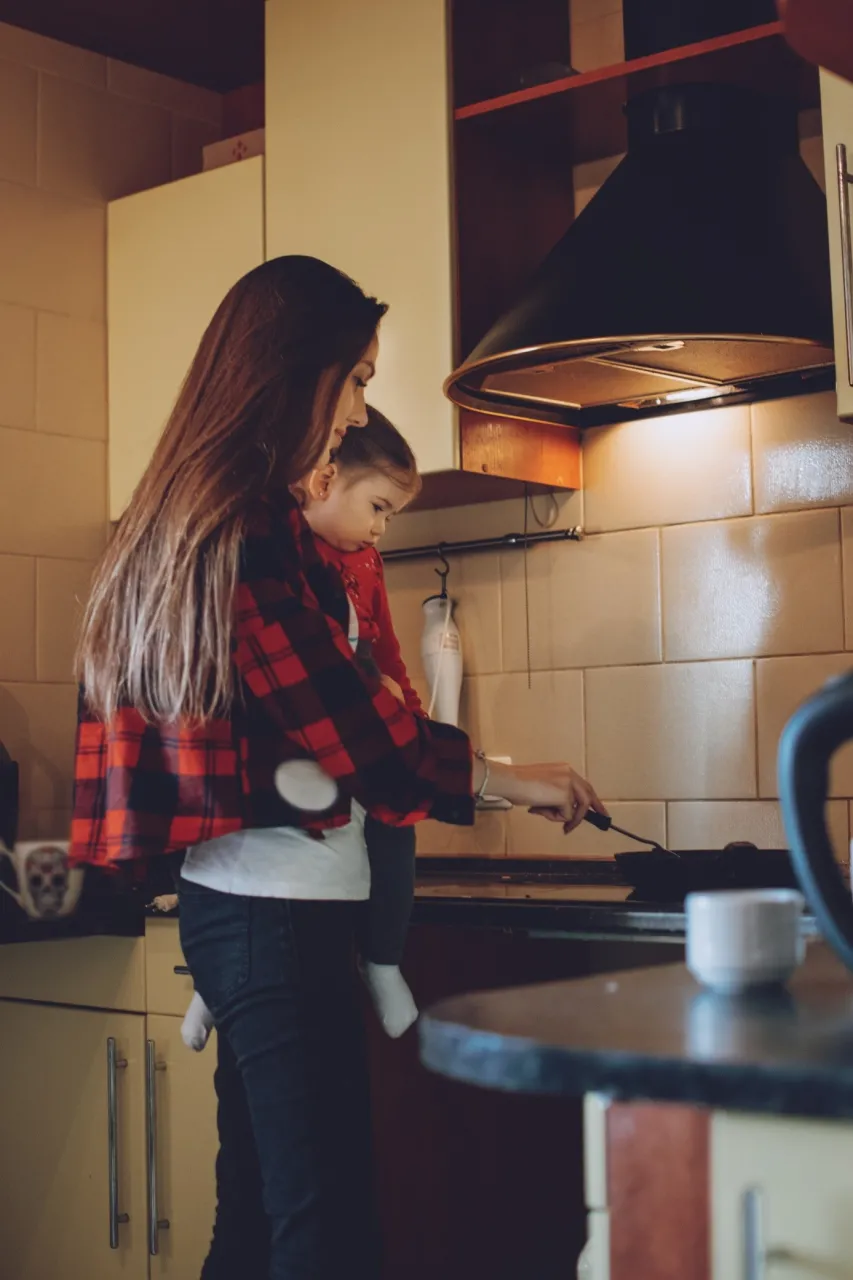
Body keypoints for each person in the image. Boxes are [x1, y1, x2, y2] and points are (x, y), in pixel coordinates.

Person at [70, 254, 607, 1280]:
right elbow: (360, 737)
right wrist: (507, 778)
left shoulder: (209, 522)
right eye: (356, 377)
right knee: (327, 1231)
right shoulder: (242, 536)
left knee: (263, 1221)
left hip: (248, 907)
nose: (360, 405)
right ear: (297, 374)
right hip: (271, 915)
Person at [180, 406, 426, 1053]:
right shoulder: (272, 557)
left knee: (396, 825)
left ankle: (381, 962)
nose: (377, 529)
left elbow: (385, 648)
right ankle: (211, 985)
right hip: (264, 850)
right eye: (376, 507)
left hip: (305, 836)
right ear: (324, 477)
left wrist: (410, 717)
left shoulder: (360, 564)